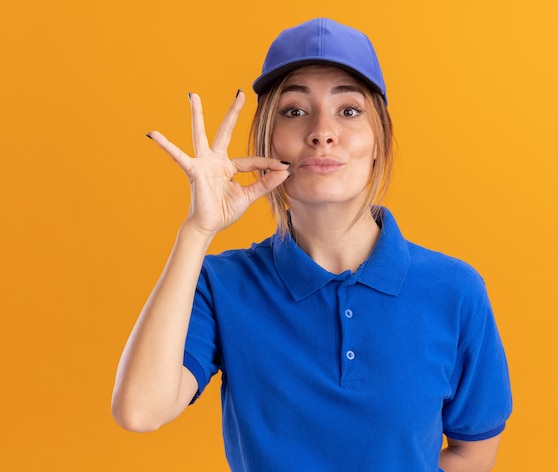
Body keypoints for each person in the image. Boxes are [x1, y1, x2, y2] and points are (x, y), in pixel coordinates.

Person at [112, 18, 512, 472]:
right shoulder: (221, 285)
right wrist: (197, 230)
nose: (323, 131)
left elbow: (472, 453)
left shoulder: (455, 290)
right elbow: (140, 411)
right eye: (295, 111)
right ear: (269, 140)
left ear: (379, 140)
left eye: (349, 111)